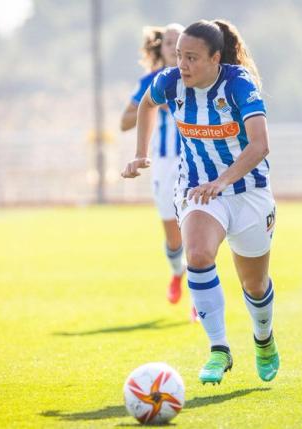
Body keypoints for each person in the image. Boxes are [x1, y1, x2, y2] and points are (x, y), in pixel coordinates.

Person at [122, 19, 279, 384]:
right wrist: (141, 153)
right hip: (196, 189)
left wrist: (223, 180)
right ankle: (219, 350)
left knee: (254, 285)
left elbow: (260, 144)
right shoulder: (170, 82)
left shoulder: (239, 84)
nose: (183, 65)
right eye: (179, 56)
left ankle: (264, 339)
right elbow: (146, 105)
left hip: (249, 192)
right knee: (197, 254)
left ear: (215, 58)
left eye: (192, 58)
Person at [120, 24, 198, 321]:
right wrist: (153, 104)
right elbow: (124, 122)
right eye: (168, 41)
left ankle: (197, 296)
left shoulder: (196, 78)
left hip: (194, 162)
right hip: (163, 164)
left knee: (194, 232)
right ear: (161, 46)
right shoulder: (151, 81)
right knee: (174, 237)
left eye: (178, 41)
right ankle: (177, 272)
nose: (172, 46)